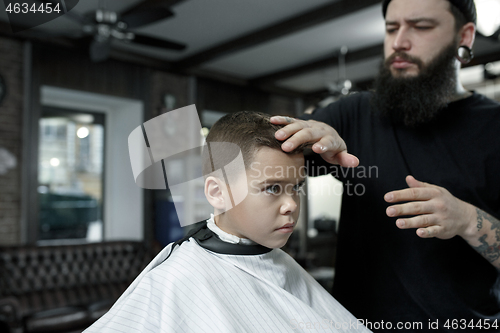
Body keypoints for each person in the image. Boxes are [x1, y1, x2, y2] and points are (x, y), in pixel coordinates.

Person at [271, 0, 500, 331]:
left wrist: (467, 220)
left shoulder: (494, 128)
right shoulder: (352, 114)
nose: (399, 42)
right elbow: (249, 162)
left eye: (420, 27)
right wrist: (306, 140)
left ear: (464, 35)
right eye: (392, 28)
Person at [84, 111, 371, 333]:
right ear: (217, 193)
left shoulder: (280, 263)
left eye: (296, 186)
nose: (292, 205)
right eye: (272, 188)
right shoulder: (178, 279)